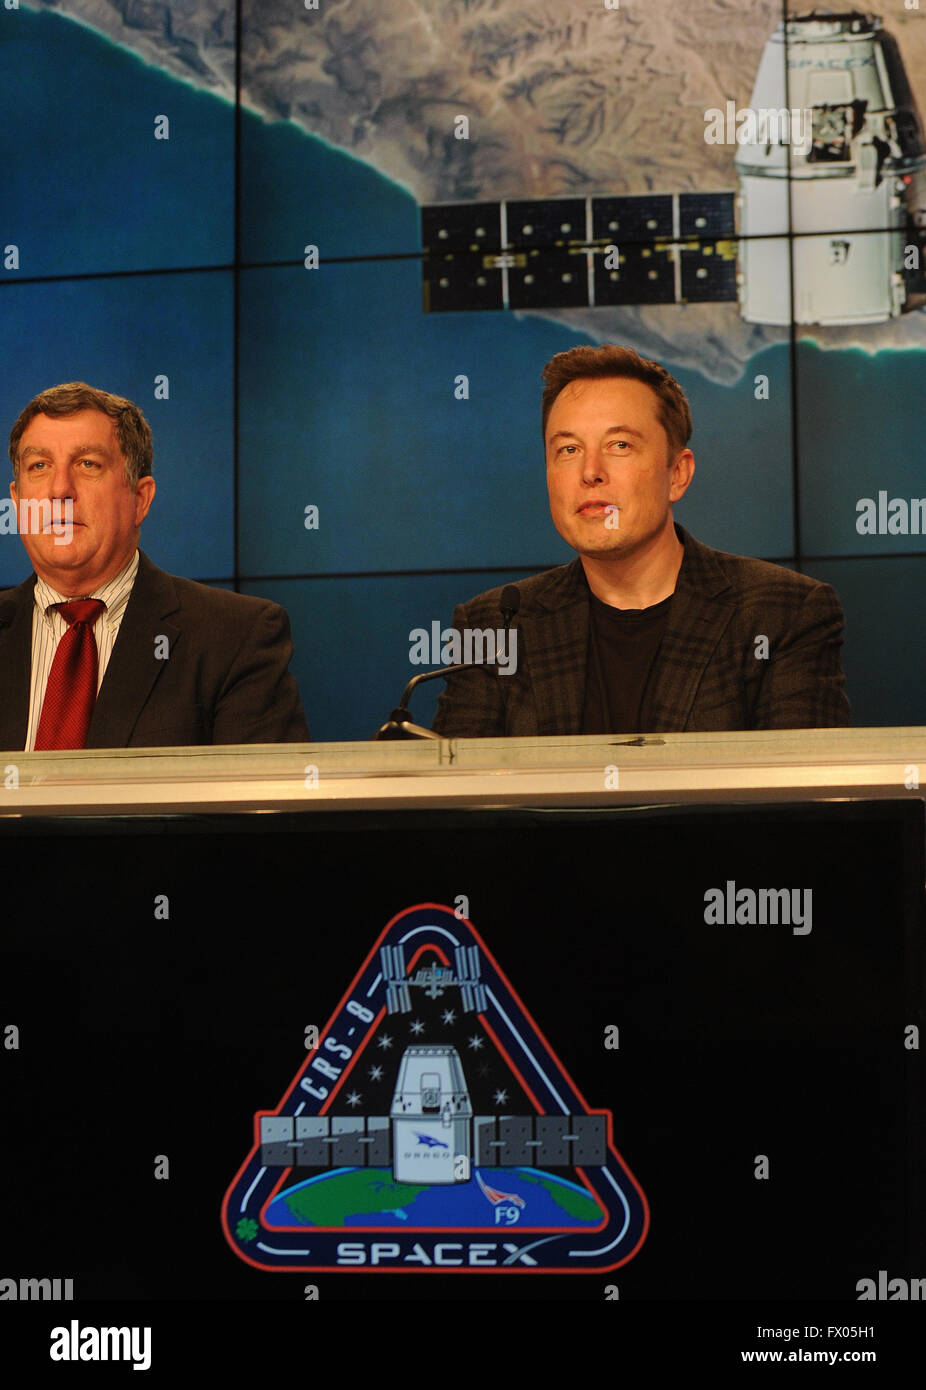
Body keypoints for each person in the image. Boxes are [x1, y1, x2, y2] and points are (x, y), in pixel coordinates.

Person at [432, 345, 850, 737]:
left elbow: (800, 805)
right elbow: (458, 806)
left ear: (677, 475)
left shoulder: (783, 614)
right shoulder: (493, 625)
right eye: (569, 449)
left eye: (620, 445)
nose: (590, 472)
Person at [0, 382, 310, 749]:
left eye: (87, 464)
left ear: (140, 499)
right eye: (39, 465)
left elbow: (257, 800)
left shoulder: (236, 639)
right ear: (18, 503)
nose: (59, 490)